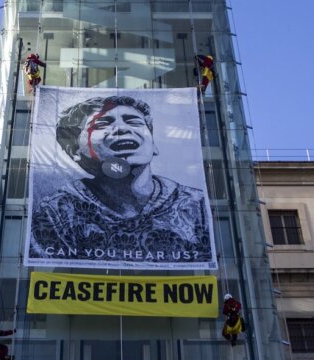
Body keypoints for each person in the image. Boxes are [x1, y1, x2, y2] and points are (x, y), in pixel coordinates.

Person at [29, 94, 212, 266]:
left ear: (153, 144)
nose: (122, 129)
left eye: (134, 122)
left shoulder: (197, 205)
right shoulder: (57, 211)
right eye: (101, 124)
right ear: (76, 151)